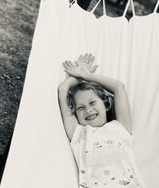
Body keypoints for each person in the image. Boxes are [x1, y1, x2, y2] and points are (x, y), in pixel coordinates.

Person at [58, 53, 146, 188]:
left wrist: (86, 75)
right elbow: (63, 89)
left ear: (106, 104)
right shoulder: (80, 135)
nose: (88, 110)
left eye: (92, 102)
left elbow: (118, 87)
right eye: (81, 108)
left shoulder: (120, 128)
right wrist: (74, 79)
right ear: (75, 113)